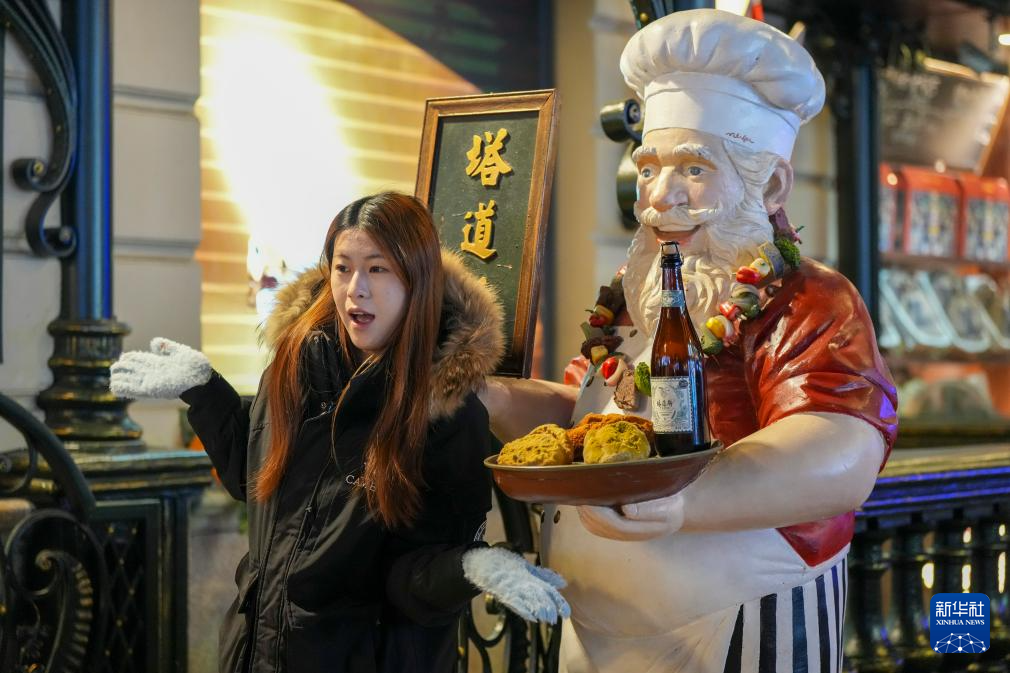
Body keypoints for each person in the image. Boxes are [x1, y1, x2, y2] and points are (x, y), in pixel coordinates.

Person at [479, 10, 898, 673]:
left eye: (694, 170)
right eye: (648, 168)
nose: (659, 198)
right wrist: (491, 397)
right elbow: (587, 422)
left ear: (771, 185)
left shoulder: (807, 299)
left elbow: (840, 447)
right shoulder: (634, 294)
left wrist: (685, 501)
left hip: (739, 623)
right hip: (595, 629)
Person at [110, 192, 569, 673]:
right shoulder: (296, 366)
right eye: (343, 268)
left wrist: (469, 567)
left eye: (378, 269)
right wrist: (206, 390)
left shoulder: (445, 412)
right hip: (258, 653)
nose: (355, 290)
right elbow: (256, 482)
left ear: (417, 280)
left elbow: (412, 580)